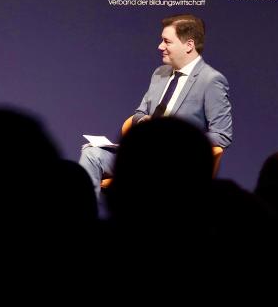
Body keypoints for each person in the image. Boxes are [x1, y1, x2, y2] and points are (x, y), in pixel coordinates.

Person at [79, 13, 233, 199]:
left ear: (189, 45)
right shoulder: (159, 74)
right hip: (142, 155)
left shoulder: (211, 80)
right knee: (91, 153)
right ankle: (86, 222)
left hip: (174, 162)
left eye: (167, 41)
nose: (160, 46)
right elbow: (139, 112)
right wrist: (143, 120)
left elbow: (222, 135)